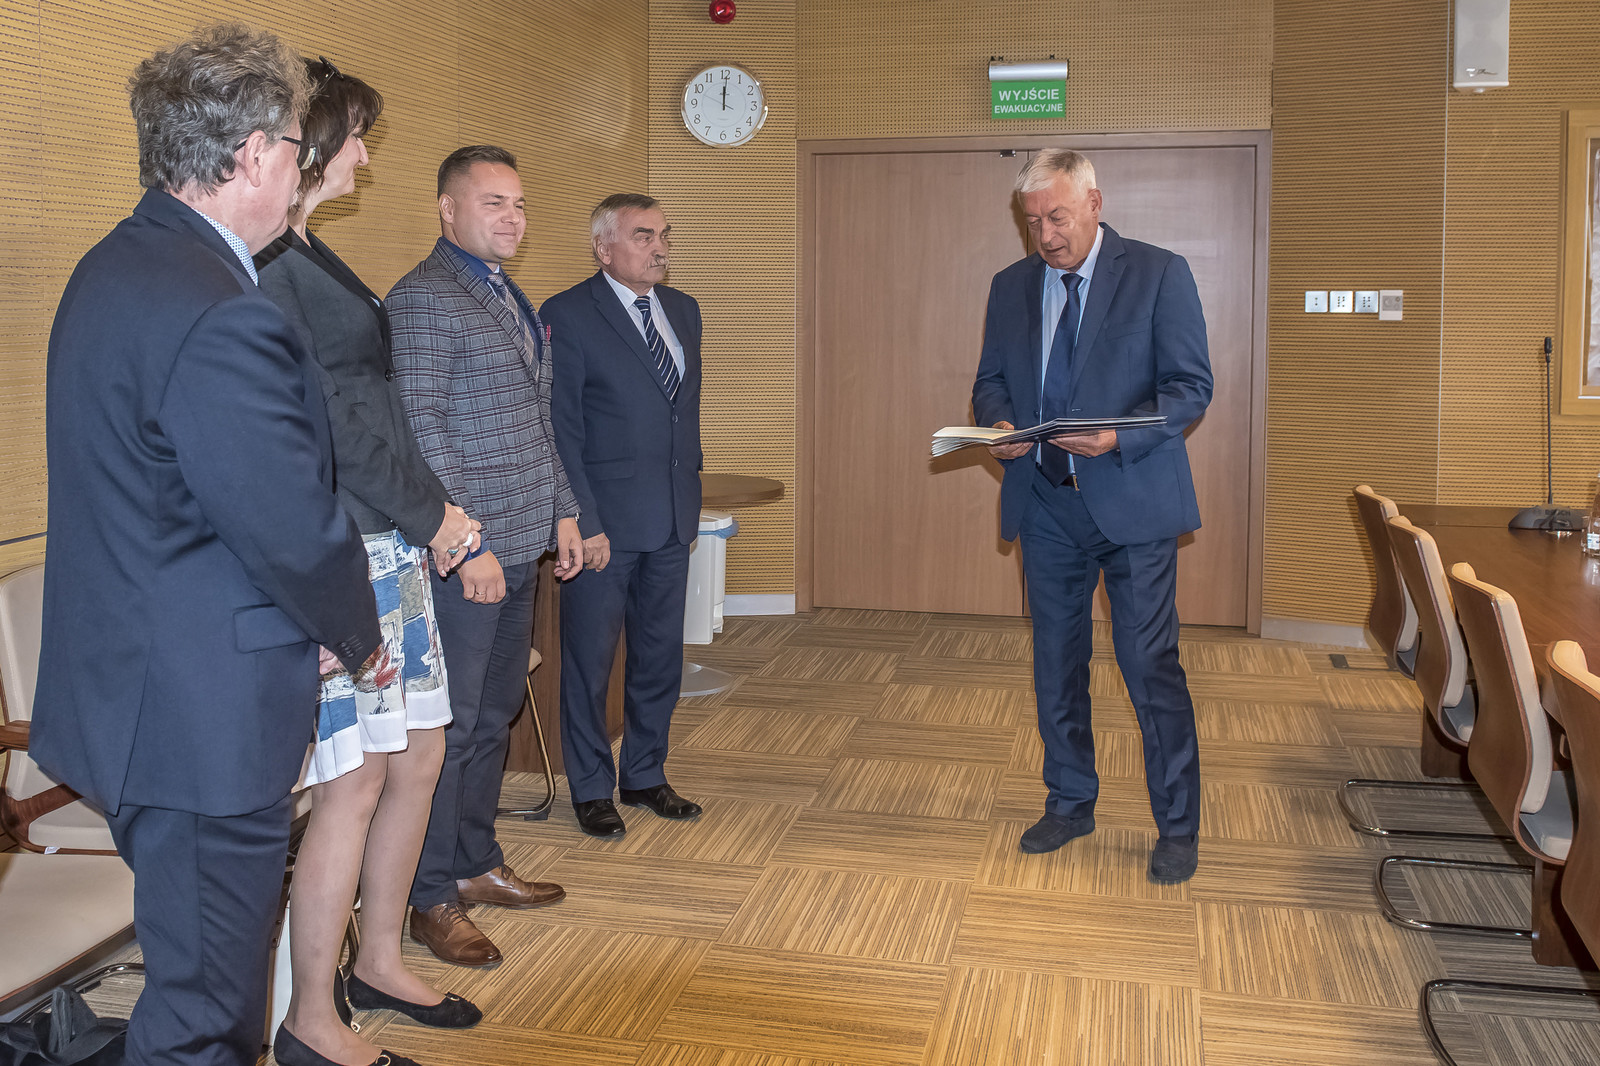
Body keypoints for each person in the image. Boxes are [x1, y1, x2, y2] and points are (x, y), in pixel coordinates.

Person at [29, 25, 402, 1066]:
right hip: (199, 721)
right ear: (249, 154)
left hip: (136, 690)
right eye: (293, 142)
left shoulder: (118, 264)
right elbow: (284, 517)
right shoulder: (218, 306)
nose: (306, 161)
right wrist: (354, 633)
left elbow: (174, 493)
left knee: (192, 989)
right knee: (205, 1022)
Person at [254, 59, 484, 1066]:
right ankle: (311, 1015)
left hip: (393, 534)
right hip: (352, 541)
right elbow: (334, 424)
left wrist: (431, 512)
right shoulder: (266, 262)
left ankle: (378, 958)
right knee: (351, 783)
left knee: (417, 757)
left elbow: (376, 406)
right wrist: (434, 514)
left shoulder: (308, 248)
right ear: (309, 142)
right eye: (354, 137)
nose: (363, 156)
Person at [971, 149, 1214, 884]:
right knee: (1056, 663)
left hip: (1132, 501)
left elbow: (1189, 386)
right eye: (1033, 222)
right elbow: (990, 382)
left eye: (1058, 218)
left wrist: (1118, 435)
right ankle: (1071, 802)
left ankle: (1177, 826)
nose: (1046, 236)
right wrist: (1001, 425)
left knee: (1148, 666)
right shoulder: (1010, 286)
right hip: (1047, 504)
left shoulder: (1159, 273)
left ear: (1095, 204)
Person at [389, 145, 582, 967]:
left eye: (520, 203)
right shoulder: (423, 298)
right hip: (468, 556)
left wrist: (564, 510)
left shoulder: (502, 290)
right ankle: (428, 894)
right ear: (447, 208)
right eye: (493, 202)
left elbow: (537, 420)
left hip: (521, 543)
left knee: (495, 711)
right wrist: (466, 542)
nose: (513, 217)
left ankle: (473, 861)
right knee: (453, 727)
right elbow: (420, 430)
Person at [543, 194, 704, 838]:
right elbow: (562, 428)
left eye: (664, 235)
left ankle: (644, 774)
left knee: (660, 659)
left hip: (671, 519)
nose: (659, 247)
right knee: (590, 663)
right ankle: (590, 787)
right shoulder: (567, 314)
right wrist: (582, 519)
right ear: (603, 247)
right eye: (643, 236)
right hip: (603, 527)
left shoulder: (684, 310)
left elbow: (678, 415)